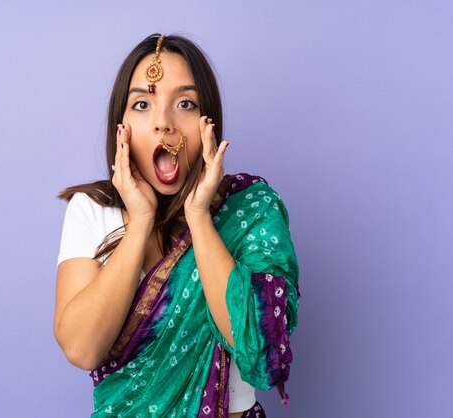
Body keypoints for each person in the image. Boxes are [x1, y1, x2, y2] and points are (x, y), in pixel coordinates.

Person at [53, 33, 301, 417]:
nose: (163, 124)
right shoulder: (92, 209)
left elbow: (256, 347)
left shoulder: (251, 211)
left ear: (208, 123)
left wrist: (200, 217)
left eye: (185, 103)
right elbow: (82, 349)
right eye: (142, 104)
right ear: (122, 127)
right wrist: (139, 225)